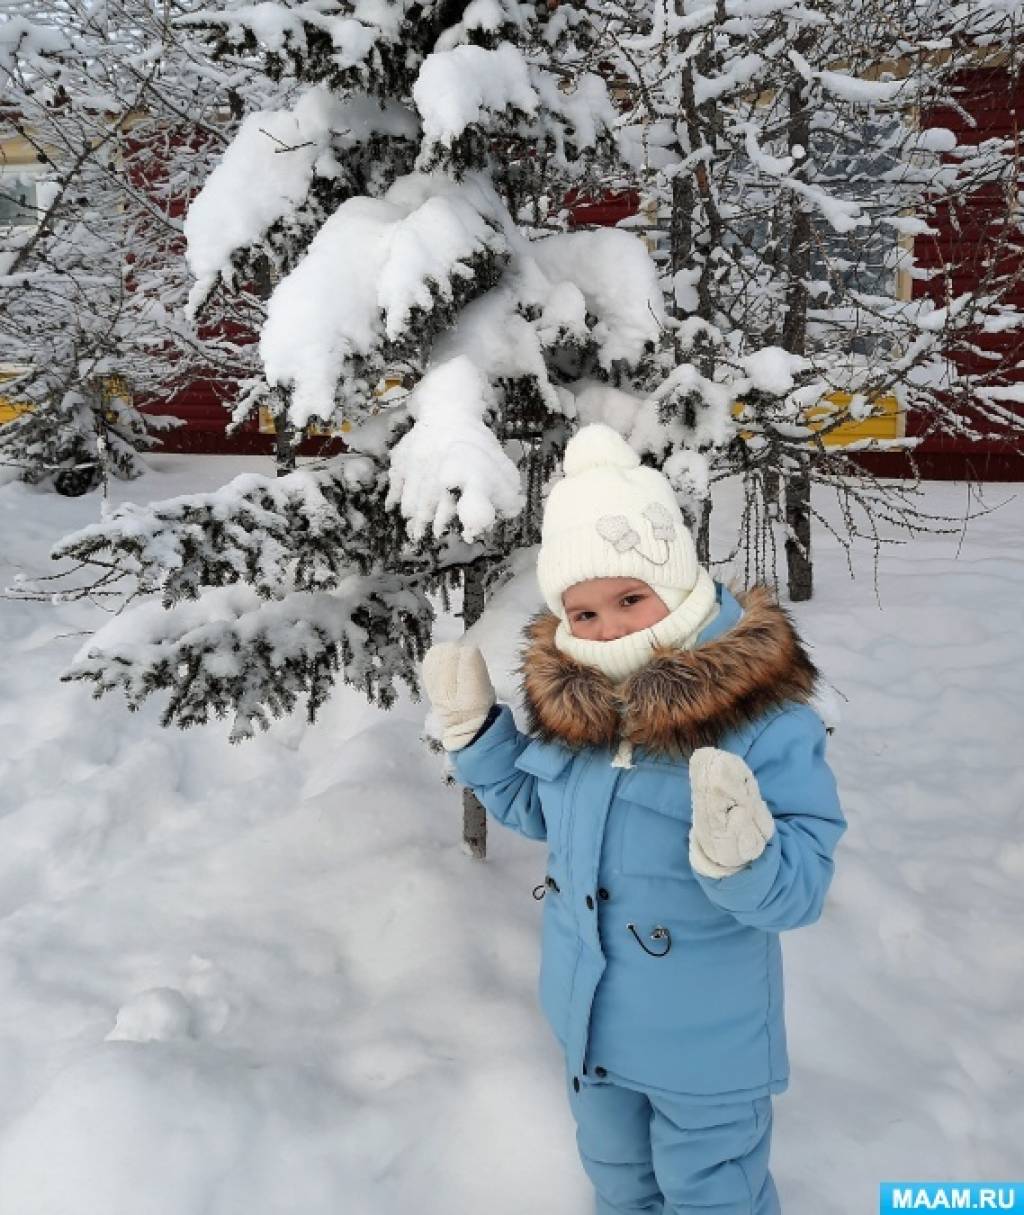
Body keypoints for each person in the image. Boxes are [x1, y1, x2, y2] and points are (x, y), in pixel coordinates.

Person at [420, 423, 847, 1215]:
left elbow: (802, 889)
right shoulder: (579, 706)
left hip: (708, 1049)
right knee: (619, 1186)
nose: (608, 626)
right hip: (591, 1029)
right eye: (582, 611)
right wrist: (477, 735)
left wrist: (745, 856)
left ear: (677, 584)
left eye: (628, 598)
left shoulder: (762, 719)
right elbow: (540, 810)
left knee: (713, 1196)